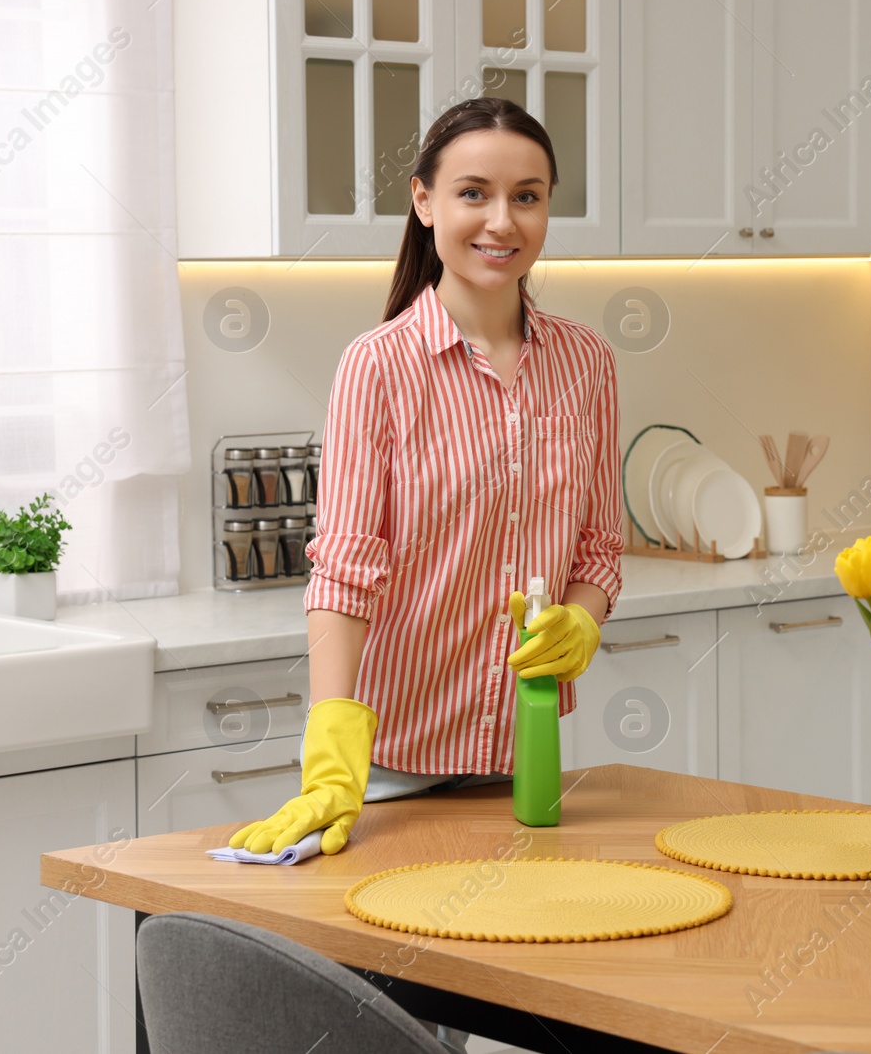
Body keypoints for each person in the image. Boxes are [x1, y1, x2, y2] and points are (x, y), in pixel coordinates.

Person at [230, 96, 623, 1048]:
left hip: (519, 765)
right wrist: (333, 758)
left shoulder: (588, 364)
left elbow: (599, 550)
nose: (502, 220)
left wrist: (584, 619)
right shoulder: (378, 367)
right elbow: (347, 566)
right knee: (401, 1031)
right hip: (393, 777)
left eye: (526, 196)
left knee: (534, 1005)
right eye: (475, 193)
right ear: (423, 202)